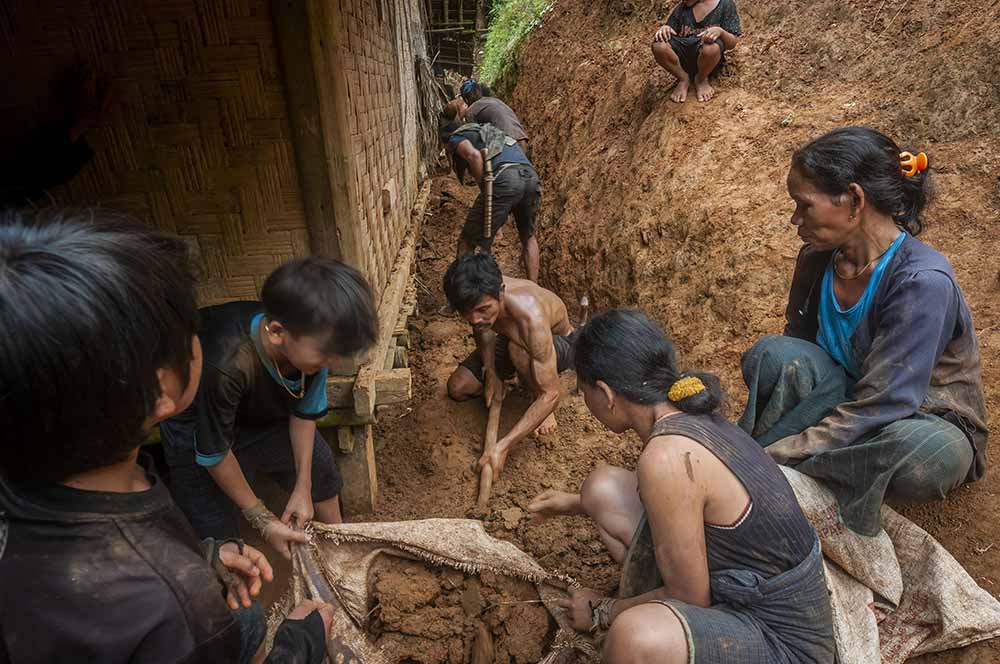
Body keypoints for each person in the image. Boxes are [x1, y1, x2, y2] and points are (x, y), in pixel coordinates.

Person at [0, 209, 333, 663]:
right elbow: (213, 454)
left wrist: (205, 556)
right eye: (190, 330)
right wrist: (302, 643)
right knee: (249, 622)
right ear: (163, 390)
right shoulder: (178, 605)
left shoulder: (23, 500)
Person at [528, 309, 835, 664]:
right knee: (602, 487)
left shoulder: (666, 459)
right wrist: (571, 504)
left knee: (633, 637)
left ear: (606, 393)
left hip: (782, 640)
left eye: (583, 392)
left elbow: (691, 597)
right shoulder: (686, 411)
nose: (586, 402)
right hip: (741, 587)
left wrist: (602, 609)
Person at [739, 126, 988, 536]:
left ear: (855, 200)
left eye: (804, 206)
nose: (794, 220)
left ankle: (782, 472)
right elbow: (798, 346)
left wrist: (789, 447)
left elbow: (886, 402)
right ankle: (776, 466)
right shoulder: (817, 259)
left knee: (924, 457)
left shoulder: (921, 282)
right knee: (773, 355)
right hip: (846, 394)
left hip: (918, 414)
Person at [160, 258, 377, 557]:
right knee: (216, 528)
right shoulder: (227, 364)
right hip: (195, 426)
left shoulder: (311, 347)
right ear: (276, 332)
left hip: (254, 414)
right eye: (327, 354)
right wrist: (262, 520)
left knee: (320, 466)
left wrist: (303, 488)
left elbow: (302, 414)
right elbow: (213, 453)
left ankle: (343, 550)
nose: (333, 362)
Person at [444, 253, 577, 475]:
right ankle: (510, 376)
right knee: (458, 387)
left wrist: (503, 446)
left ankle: (536, 397)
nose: (475, 319)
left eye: (483, 310)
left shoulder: (531, 318)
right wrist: (491, 373)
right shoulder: (479, 295)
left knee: (519, 352)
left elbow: (552, 393)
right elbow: (483, 331)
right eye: (468, 313)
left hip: (557, 343)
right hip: (509, 337)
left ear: (502, 293)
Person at [440, 118, 541, 282]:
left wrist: (486, 190)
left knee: (467, 240)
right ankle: (534, 289)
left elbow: (474, 157)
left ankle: (464, 295)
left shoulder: (456, 137)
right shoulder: (488, 130)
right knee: (528, 237)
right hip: (531, 177)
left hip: (506, 178)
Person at [651, 0, 742, 103]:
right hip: (682, 59)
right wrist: (665, 28)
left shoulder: (725, 5)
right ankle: (683, 78)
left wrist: (721, 32)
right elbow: (670, 29)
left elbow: (732, 43)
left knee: (711, 48)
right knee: (659, 45)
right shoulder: (682, 8)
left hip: (708, 60)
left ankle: (701, 79)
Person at [460, 79, 531, 157]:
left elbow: (473, 138)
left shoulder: (471, 110)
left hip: (506, 144)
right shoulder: (495, 100)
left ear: (467, 98)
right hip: (522, 140)